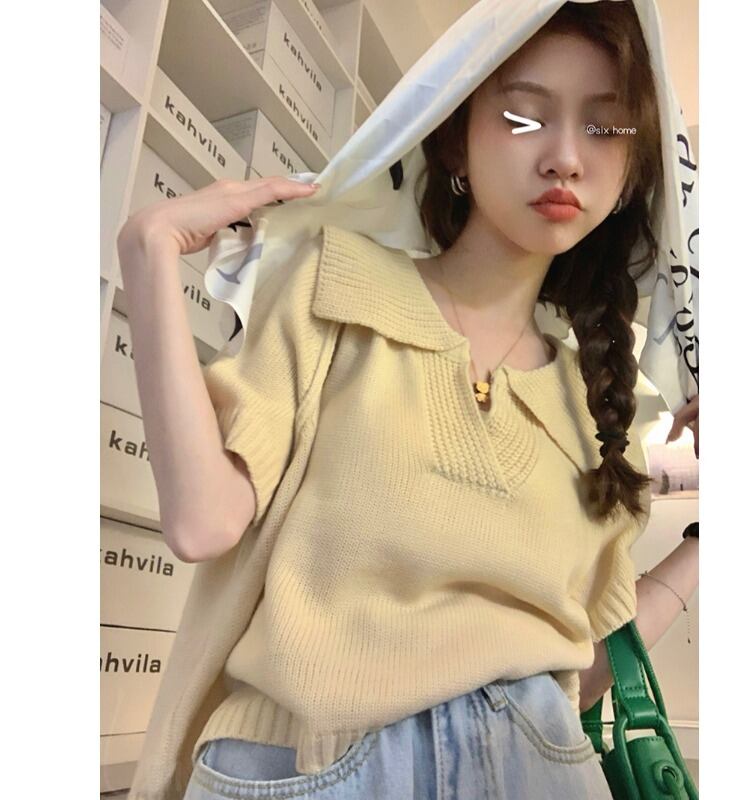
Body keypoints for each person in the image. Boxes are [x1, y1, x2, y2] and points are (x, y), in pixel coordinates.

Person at [119, 2, 699, 798]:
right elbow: (202, 522)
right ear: (456, 138)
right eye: (524, 117)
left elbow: (581, 672)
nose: (566, 157)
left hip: (537, 770)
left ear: (631, 171)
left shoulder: (600, 407)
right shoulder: (334, 283)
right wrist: (148, 252)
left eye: (605, 128)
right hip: (313, 769)